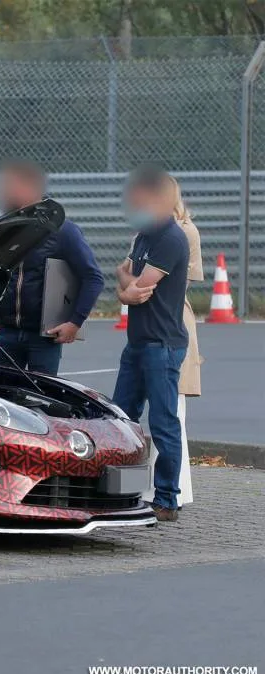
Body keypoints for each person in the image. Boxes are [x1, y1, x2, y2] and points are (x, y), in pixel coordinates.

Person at [112, 164, 190, 522]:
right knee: (121, 417)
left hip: (162, 344)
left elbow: (137, 289)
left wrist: (127, 289)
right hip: (138, 342)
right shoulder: (144, 235)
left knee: (162, 423)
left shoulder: (171, 239)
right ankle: (120, 492)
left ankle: (167, 500)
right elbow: (123, 276)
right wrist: (127, 287)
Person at [0, 159, 104, 375]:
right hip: (7, 333)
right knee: (2, 397)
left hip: (43, 336)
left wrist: (74, 322)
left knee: (42, 400)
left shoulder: (62, 230)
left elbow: (93, 277)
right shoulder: (3, 225)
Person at [141, 175, 203, 508]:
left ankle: (170, 493)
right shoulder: (147, 231)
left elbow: (172, 283)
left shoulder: (183, 232)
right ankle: (150, 490)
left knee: (169, 413)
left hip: (171, 327)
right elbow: (128, 275)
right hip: (147, 328)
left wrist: (136, 285)